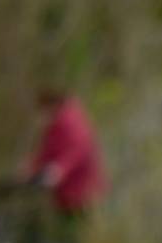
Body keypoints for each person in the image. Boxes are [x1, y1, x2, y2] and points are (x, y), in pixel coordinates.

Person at [21, 87, 106, 231]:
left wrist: (58, 169)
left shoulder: (70, 120)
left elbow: (79, 148)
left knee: (76, 223)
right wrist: (31, 167)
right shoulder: (58, 121)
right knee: (64, 221)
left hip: (78, 186)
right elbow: (48, 149)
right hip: (66, 188)